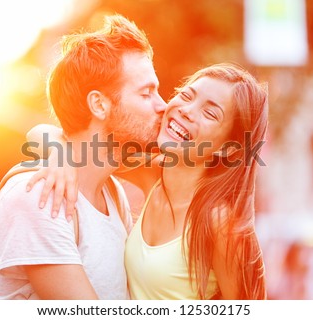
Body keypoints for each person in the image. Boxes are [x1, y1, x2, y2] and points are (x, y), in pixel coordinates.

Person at [27, 63, 268, 299]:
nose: (187, 110)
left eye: (209, 113)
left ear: (228, 149)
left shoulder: (220, 221)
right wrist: (60, 154)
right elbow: (40, 134)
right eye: (186, 95)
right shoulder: (153, 174)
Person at [0, 14, 166, 299]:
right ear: (99, 104)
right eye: (146, 93)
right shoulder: (41, 195)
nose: (162, 106)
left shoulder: (112, 192)